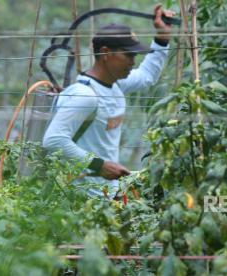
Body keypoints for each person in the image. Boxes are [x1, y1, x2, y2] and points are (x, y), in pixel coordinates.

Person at [43, 4, 174, 198]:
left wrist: (161, 39)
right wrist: (99, 165)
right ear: (105, 53)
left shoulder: (115, 85)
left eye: (135, 55)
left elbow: (147, 75)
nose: (133, 61)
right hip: (81, 198)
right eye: (128, 55)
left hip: (105, 196)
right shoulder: (85, 96)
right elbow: (53, 140)